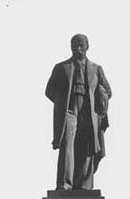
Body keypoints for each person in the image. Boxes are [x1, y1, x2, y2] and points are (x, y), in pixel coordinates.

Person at [46, 34, 111, 191]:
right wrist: (62, 101)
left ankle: (83, 184)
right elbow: (49, 91)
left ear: (87, 46)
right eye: (74, 45)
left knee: (86, 144)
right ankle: (64, 183)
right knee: (67, 143)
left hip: (89, 110)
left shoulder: (96, 69)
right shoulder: (61, 68)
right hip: (69, 109)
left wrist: (102, 96)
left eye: (81, 45)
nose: (78, 48)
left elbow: (108, 90)